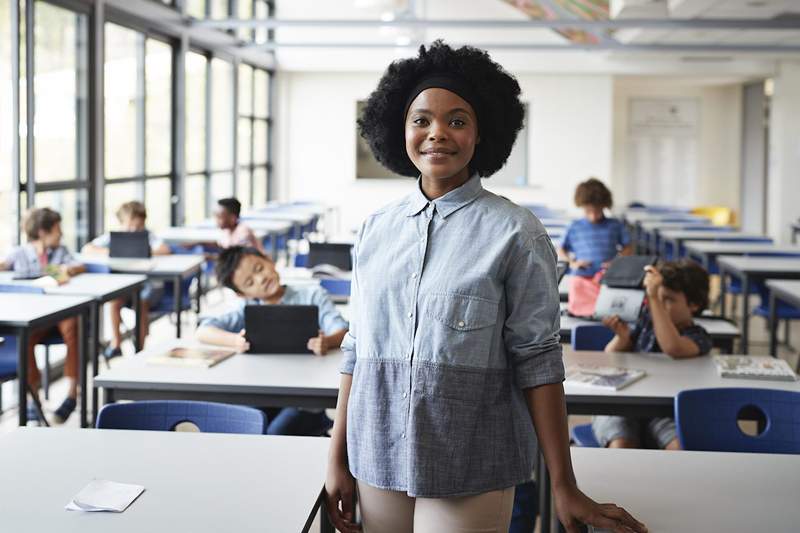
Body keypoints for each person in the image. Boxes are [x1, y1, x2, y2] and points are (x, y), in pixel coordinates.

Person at [324, 41, 646, 533]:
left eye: (457, 120)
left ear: (480, 134)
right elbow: (356, 350)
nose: (437, 134)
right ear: (399, 128)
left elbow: (538, 359)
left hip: (471, 457)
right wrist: (337, 458)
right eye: (421, 120)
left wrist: (563, 483)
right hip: (376, 449)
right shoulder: (375, 230)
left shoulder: (516, 232)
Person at [196, 246, 348, 435]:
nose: (260, 279)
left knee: (275, 433)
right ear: (242, 294)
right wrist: (235, 340)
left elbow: (342, 331)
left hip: (305, 398)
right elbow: (203, 331)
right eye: (250, 282)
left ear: (269, 260)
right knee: (243, 427)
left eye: (259, 268)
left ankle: (317, 423)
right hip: (265, 392)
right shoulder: (247, 307)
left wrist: (327, 341)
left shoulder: (312, 295)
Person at [594, 259, 713, 450]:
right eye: (658, 297)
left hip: (665, 412)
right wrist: (622, 338)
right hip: (622, 406)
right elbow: (610, 356)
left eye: (669, 299)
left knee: (679, 446)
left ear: (694, 305)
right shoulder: (645, 322)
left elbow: (672, 347)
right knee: (621, 444)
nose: (658, 304)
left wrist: (654, 298)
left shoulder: (698, 336)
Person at [0, 207, 85, 423]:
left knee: (73, 325)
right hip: (34, 314)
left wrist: (64, 270)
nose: (61, 234)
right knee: (23, 337)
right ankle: (33, 398)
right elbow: (4, 266)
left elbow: (76, 266)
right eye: (57, 230)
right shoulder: (19, 253)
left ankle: (72, 394)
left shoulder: (60, 251)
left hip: (60, 312)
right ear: (42, 232)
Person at [82, 201, 171, 357]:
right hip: (126, 287)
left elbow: (165, 249)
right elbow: (87, 249)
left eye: (138, 227)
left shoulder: (148, 236)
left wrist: (142, 251)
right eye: (130, 226)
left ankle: (140, 349)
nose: (134, 230)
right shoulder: (114, 237)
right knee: (114, 302)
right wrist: (114, 251)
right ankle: (116, 344)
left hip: (148, 287)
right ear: (122, 223)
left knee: (141, 303)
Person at [559, 178, 633, 316]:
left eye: (597, 211)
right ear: (581, 206)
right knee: (576, 286)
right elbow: (561, 250)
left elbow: (628, 247)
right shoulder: (574, 226)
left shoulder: (615, 225)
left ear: (604, 206)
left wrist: (616, 262)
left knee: (612, 305)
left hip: (607, 277)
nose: (593, 216)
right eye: (588, 211)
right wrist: (573, 263)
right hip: (582, 278)